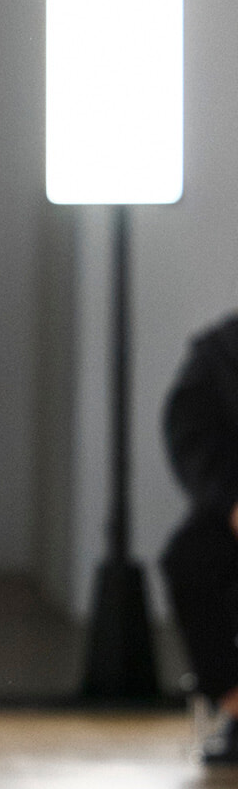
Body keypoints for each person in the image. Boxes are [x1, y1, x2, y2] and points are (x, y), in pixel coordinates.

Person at [161, 311, 238, 763]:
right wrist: (230, 503)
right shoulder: (222, 351)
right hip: (233, 509)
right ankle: (234, 704)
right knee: (191, 561)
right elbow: (191, 432)